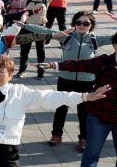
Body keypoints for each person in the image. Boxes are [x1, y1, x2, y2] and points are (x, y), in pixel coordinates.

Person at [22, 11, 112, 150]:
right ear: (74, 24)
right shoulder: (66, 37)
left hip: (86, 81)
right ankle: (56, 135)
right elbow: (44, 30)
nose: (82, 25)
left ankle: (83, 138)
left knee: (84, 112)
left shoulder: (96, 39)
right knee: (61, 108)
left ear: (91, 25)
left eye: (86, 23)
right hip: (66, 78)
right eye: (78, 22)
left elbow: (115, 37)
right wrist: (24, 25)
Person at [40, 39, 117, 167]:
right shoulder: (105, 61)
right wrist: (55, 65)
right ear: (115, 45)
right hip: (99, 115)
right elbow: (81, 64)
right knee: (92, 151)